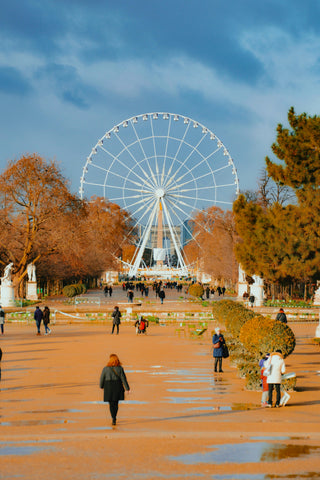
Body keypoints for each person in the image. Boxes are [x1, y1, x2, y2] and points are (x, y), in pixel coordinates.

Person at [99, 353, 130, 426]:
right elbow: (123, 379)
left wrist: (101, 386)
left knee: (111, 404)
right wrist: (127, 388)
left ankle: (113, 417)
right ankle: (114, 417)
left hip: (108, 386)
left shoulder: (105, 369)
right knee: (116, 403)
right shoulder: (120, 368)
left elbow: (102, 378)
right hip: (117, 386)